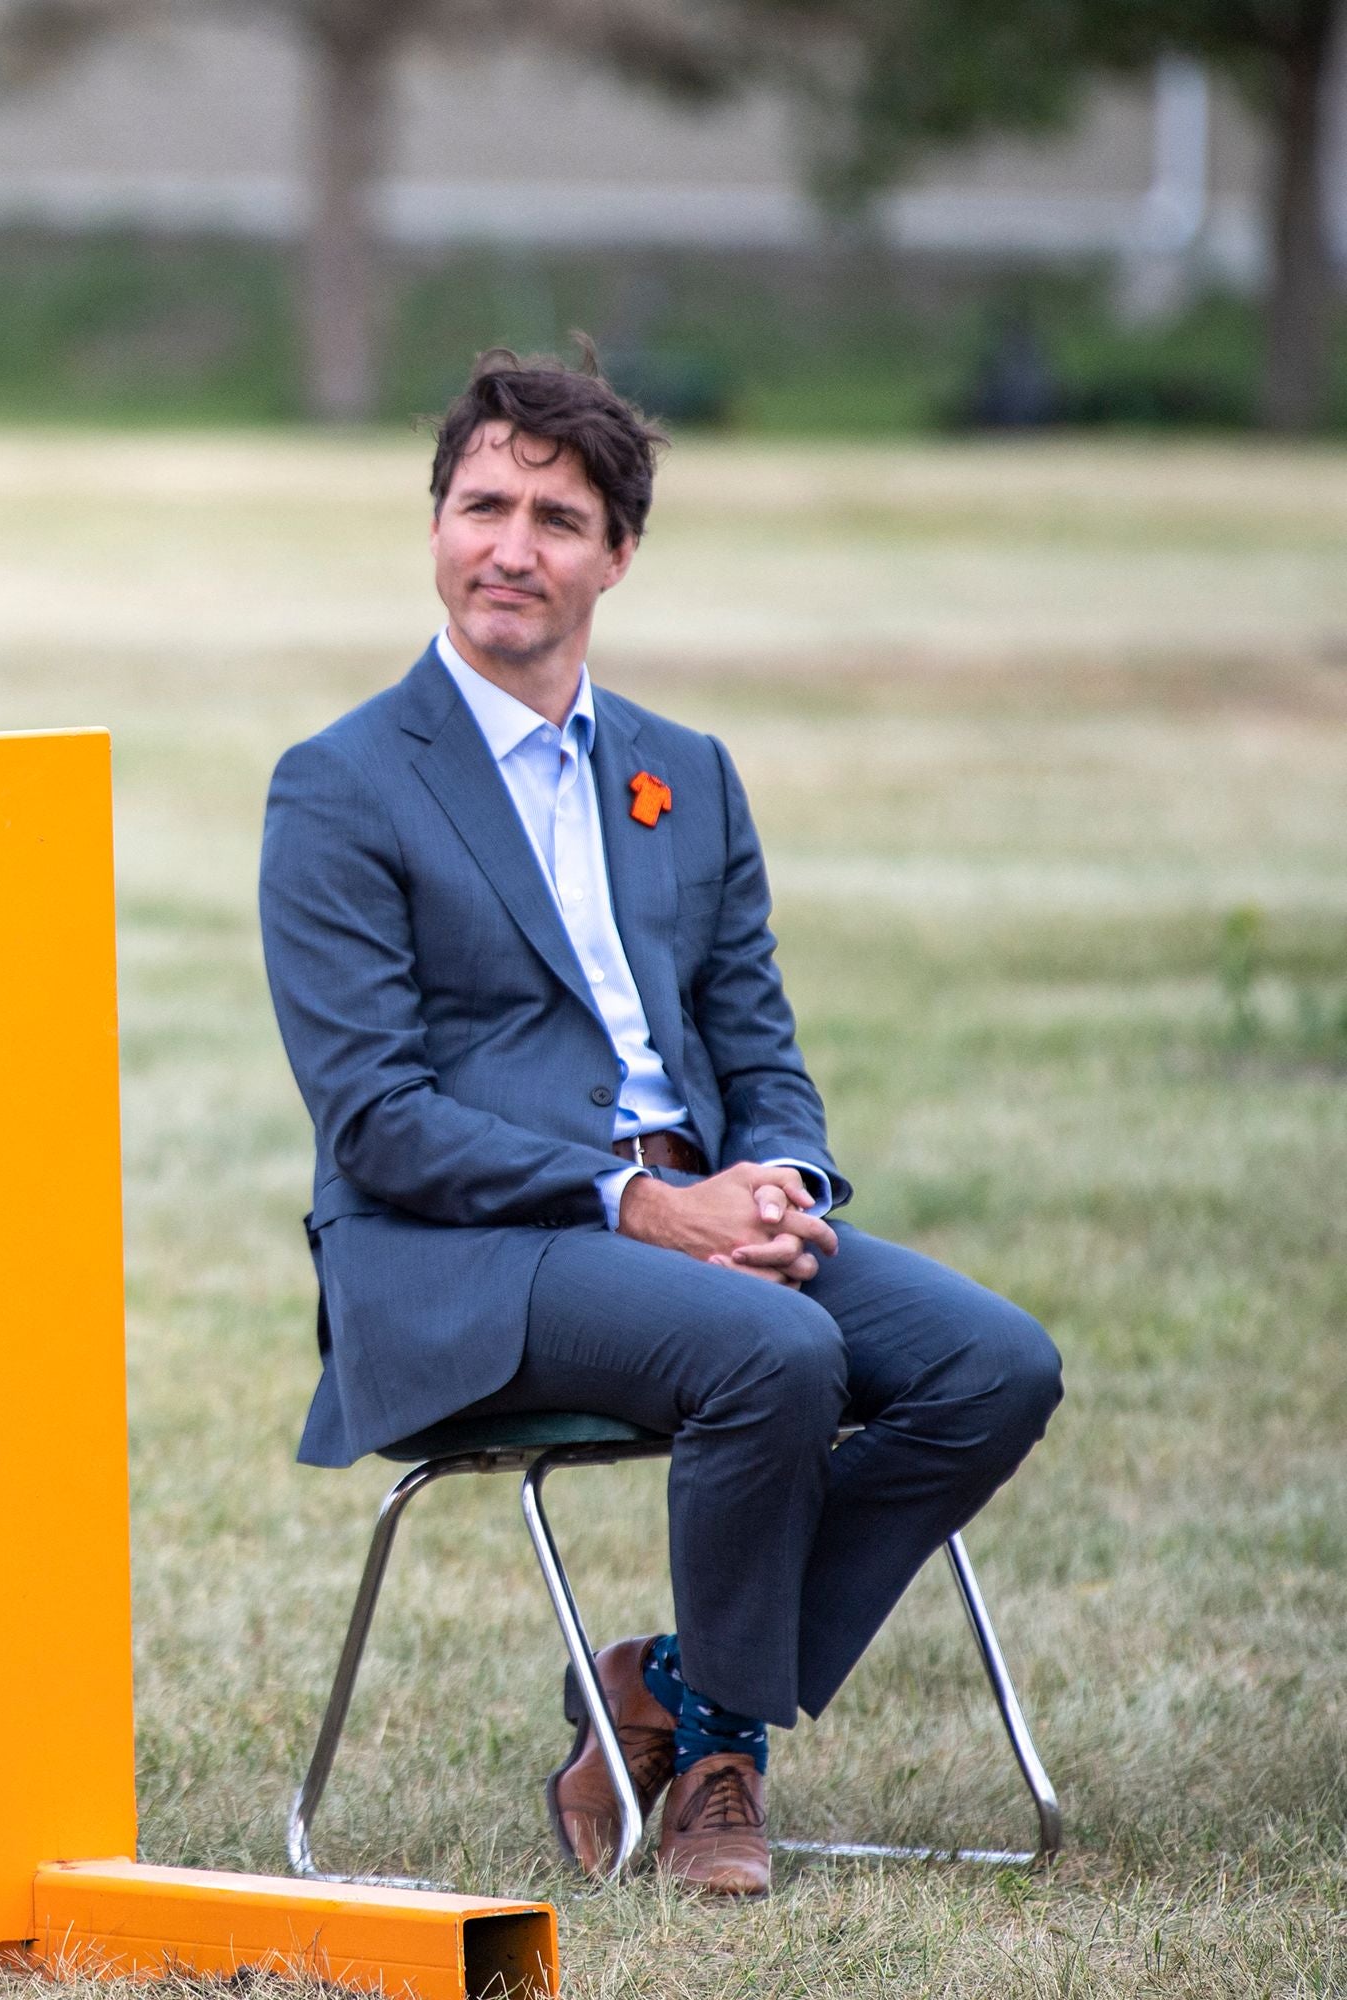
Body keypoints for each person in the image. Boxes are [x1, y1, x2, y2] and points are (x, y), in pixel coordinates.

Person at [256, 350, 1062, 1897]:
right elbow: (374, 1119)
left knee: (993, 1364)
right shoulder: (342, 785)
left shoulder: (685, 777)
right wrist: (640, 1208)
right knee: (774, 1353)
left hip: (693, 1230)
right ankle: (723, 1770)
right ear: (434, 527)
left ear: (616, 556)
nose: (512, 545)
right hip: (462, 1255)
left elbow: (759, 1044)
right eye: (482, 504)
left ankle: (673, 1692)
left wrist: (782, 1182)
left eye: (557, 517)